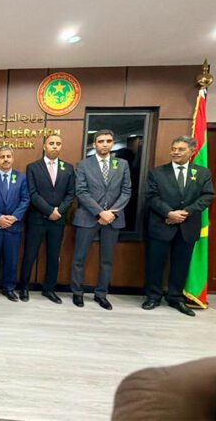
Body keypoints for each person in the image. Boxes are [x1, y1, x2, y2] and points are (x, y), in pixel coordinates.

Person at [143, 136, 215, 316]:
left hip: (187, 226)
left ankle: (175, 297)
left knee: (181, 264)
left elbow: (207, 196)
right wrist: (169, 213)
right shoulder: (157, 173)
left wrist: (185, 213)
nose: (175, 152)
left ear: (192, 151)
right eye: (174, 148)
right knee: (155, 263)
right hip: (161, 224)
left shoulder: (202, 173)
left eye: (181, 149)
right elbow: (151, 196)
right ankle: (153, 296)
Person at [70, 129, 131, 310]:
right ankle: (77, 292)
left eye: (108, 141)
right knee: (79, 257)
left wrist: (112, 212)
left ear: (112, 143)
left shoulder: (122, 164)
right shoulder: (83, 165)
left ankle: (101, 294)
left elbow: (126, 191)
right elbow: (81, 191)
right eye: (101, 141)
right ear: (94, 144)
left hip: (113, 218)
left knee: (107, 259)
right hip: (88, 217)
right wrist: (99, 213)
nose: (105, 144)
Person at [19, 134, 75, 303]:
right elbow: (33, 193)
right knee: (30, 254)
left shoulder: (68, 168)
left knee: (53, 256)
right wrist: (49, 210)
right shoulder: (33, 167)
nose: (55, 146)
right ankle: (24, 288)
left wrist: (59, 211)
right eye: (51, 143)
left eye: (58, 143)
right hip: (37, 218)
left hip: (58, 220)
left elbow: (70, 194)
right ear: (44, 146)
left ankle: (49, 289)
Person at [0, 147, 30, 301]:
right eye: (2, 157)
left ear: (13, 159)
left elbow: (25, 199)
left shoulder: (21, 178)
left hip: (13, 227)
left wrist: (14, 218)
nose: (6, 159)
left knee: (11, 259)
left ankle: (9, 288)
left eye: (8, 156)